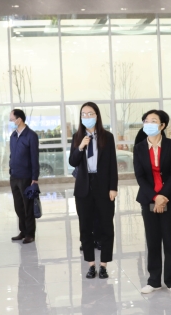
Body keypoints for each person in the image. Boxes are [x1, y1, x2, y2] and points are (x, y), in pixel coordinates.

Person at [134, 110, 171, 296]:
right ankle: (153, 280)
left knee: (170, 240)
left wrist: (163, 196)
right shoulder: (139, 148)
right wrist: (155, 197)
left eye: (153, 121)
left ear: (162, 125)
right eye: (146, 121)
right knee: (152, 239)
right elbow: (140, 176)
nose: (149, 124)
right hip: (148, 198)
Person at [69, 102, 118, 279]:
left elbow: (112, 164)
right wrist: (81, 147)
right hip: (83, 187)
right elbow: (72, 161)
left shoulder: (107, 137)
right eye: (84, 114)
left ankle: (103, 265)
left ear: (97, 116)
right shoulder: (77, 137)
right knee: (85, 227)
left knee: (106, 227)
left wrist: (113, 187)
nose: (87, 117)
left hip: (103, 186)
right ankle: (90, 264)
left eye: (90, 113)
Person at [9, 109, 39, 244]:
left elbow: (34, 157)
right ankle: (23, 231)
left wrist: (35, 177)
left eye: (12, 119)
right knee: (18, 206)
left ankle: (30, 233)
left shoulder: (31, 136)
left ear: (19, 119)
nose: (11, 122)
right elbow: (12, 154)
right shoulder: (13, 135)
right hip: (14, 176)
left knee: (28, 206)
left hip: (26, 177)